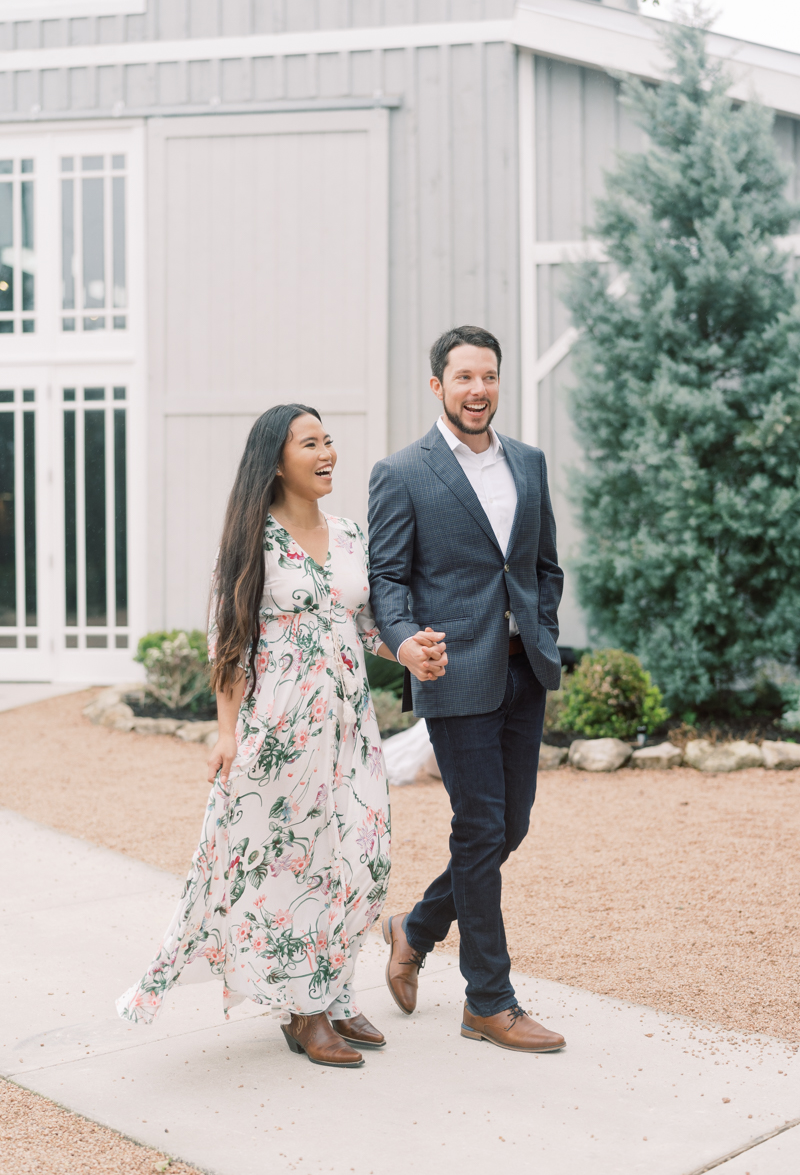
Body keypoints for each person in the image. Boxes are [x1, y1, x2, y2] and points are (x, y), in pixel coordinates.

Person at [117, 404, 427, 1069]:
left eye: (329, 440)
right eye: (310, 443)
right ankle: (304, 1010)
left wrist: (407, 652)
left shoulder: (349, 535)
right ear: (276, 460)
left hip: (350, 731)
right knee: (298, 865)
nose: (328, 453)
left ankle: (336, 989)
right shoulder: (252, 541)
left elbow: (367, 625)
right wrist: (227, 733)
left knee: (362, 857)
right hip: (280, 732)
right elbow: (227, 642)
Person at [368, 326, 567, 1054]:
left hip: (525, 669)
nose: (477, 390)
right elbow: (387, 578)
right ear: (437, 387)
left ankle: (413, 928)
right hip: (452, 672)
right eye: (463, 378)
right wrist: (403, 641)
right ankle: (489, 1000)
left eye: (488, 377)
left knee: (508, 828)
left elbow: (545, 565)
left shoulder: (530, 462)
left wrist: (541, 622)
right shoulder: (402, 472)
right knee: (479, 829)